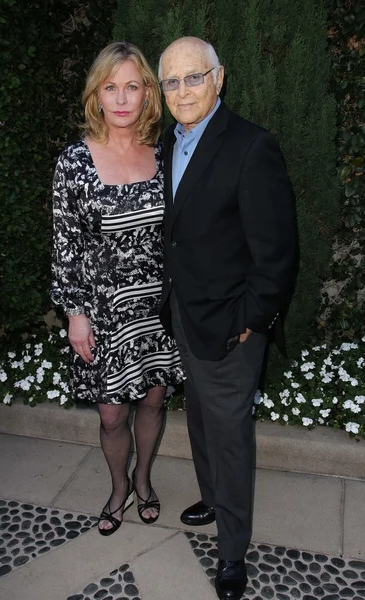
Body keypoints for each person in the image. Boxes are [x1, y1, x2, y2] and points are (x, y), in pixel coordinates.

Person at [158, 37, 298, 600]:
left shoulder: (251, 147)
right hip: (185, 316)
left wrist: (250, 322)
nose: (182, 90)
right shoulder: (169, 140)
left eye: (194, 77)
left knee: (231, 434)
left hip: (232, 326)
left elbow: (277, 254)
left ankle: (233, 552)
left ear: (220, 78)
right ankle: (213, 498)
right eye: (171, 81)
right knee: (198, 419)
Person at [51, 41, 184, 537]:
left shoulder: (166, 151)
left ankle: (144, 481)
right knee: (111, 416)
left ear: (147, 92)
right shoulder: (75, 163)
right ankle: (117, 487)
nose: (122, 98)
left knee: (152, 402)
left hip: (158, 305)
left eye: (133, 86)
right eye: (111, 87)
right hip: (104, 310)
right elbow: (66, 244)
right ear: (97, 94)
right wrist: (75, 314)